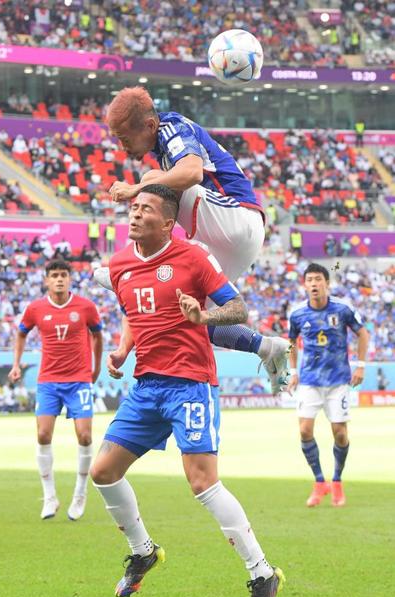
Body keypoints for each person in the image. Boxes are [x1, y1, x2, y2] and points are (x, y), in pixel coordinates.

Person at [90, 185, 285, 597]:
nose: (135, 215)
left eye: (146, 210)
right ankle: (143, 553)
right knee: (102, 472)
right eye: (134, 208)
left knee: (202, 482)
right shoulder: (120, 265)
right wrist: (122, 350)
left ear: (167, 222)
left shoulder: (193, 257)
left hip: (190, 385)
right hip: (146, 387)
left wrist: (204, 317)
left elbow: (236, 308)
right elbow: (132, 311)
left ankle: (262, 573)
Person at [94, 86, 289, 394]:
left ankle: (131, 262)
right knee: (190, 314)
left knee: (151, 181)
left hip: (237, 217)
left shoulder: (171, 127)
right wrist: (123, 349)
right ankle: (266, 347)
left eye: (124, 137)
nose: (121, 147)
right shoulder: (162, 145)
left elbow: (193, 172)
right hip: (232, 239)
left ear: (148, 125)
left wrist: (135, 189)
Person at [8, 259, 103, 520]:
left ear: (70, 278)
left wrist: (95, 369)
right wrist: (16, 364)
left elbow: (98, 335)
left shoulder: (85, 307)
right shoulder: (36, 308)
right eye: (54, 275)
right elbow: (21, 333)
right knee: (43, 434)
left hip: (79, 380)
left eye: (63, 275)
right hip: (48, 380)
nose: (59, 279)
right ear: (46, 280)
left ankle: (80, 494)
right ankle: (49, 497)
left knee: (84, 437)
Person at [287, 263, 369, 508]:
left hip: (338, 381)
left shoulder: (343, 309)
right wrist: (292, 372)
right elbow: (291, 341)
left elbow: (362, 333)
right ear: (305, 285)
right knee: (304, 431)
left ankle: (337, 481)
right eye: (309, 280)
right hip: (310, 381)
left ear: (327, 283)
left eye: (318, 279)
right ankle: (319, 481)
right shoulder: (297, 313)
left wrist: (361, 364)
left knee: (340, 433)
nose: (314, 283)